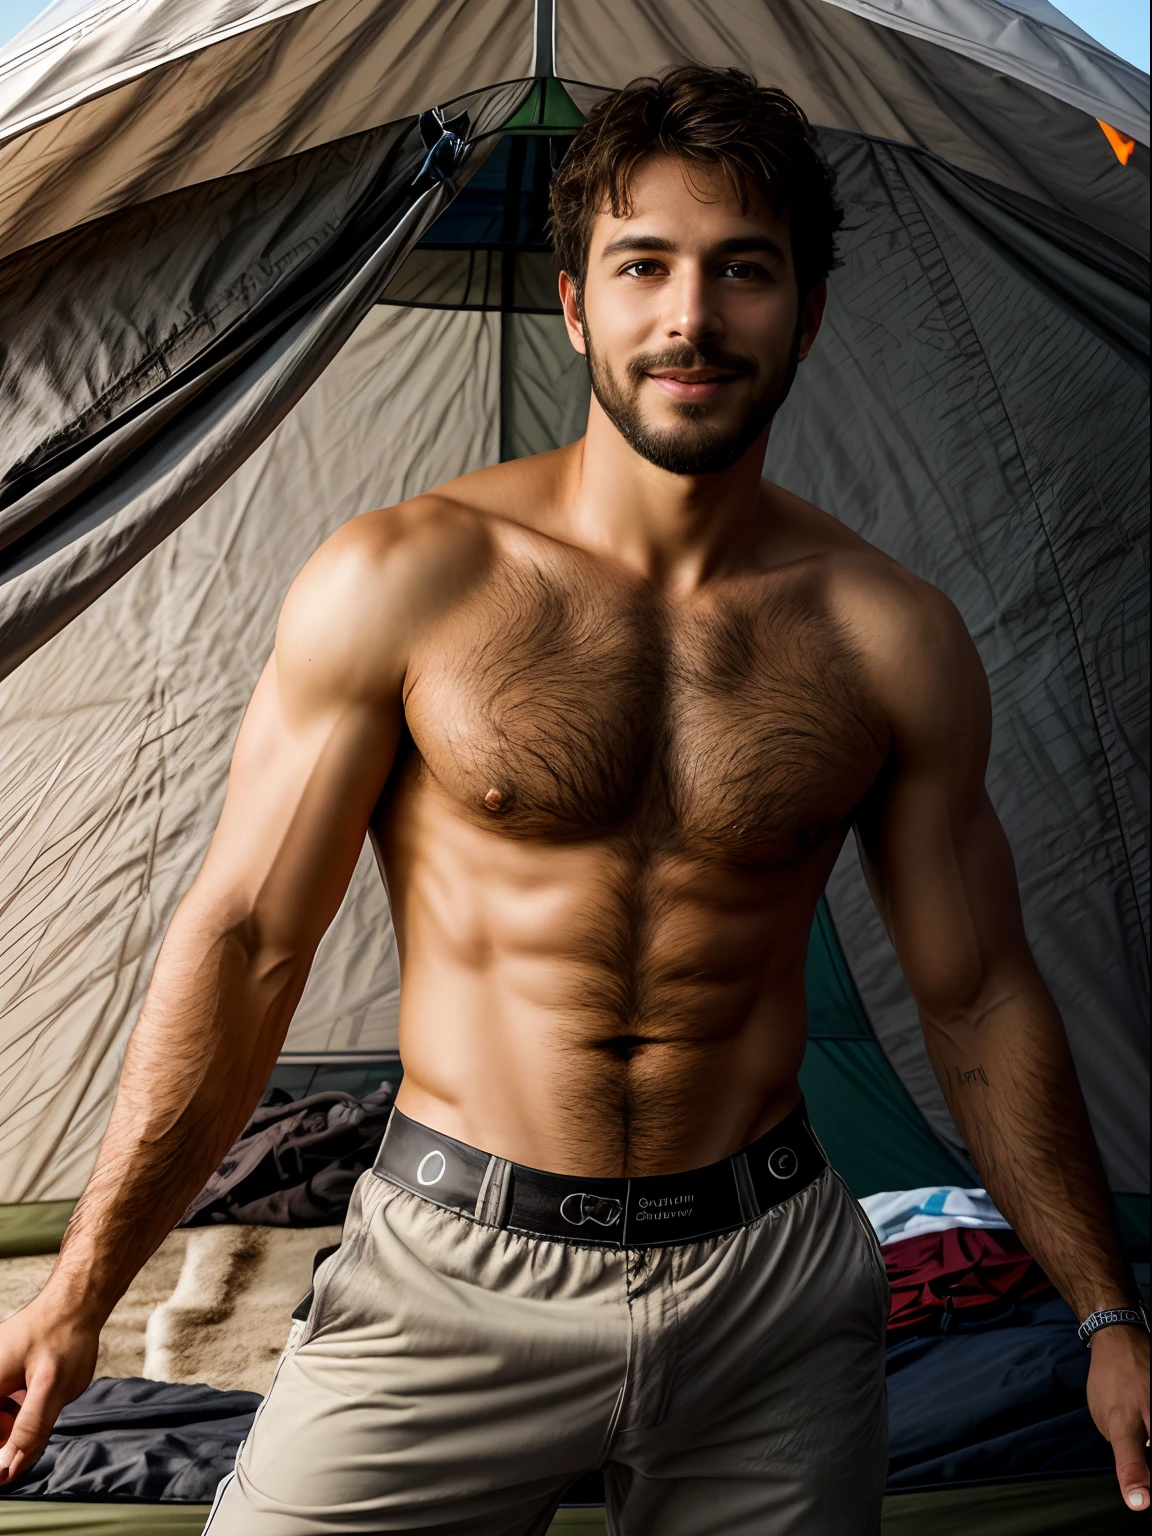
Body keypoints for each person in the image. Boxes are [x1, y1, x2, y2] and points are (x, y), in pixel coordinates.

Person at [0, 66, 1146, 1535]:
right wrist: (81, 1296)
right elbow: (240, 944)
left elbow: (981, 994)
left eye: (743, 270)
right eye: (644, 267)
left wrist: (1106, 1313)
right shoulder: (408, 579)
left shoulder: (886, 637)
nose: (691, 316)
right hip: (450, 1272)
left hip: (766, 1285)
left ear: (804, 312)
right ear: (573, 304)